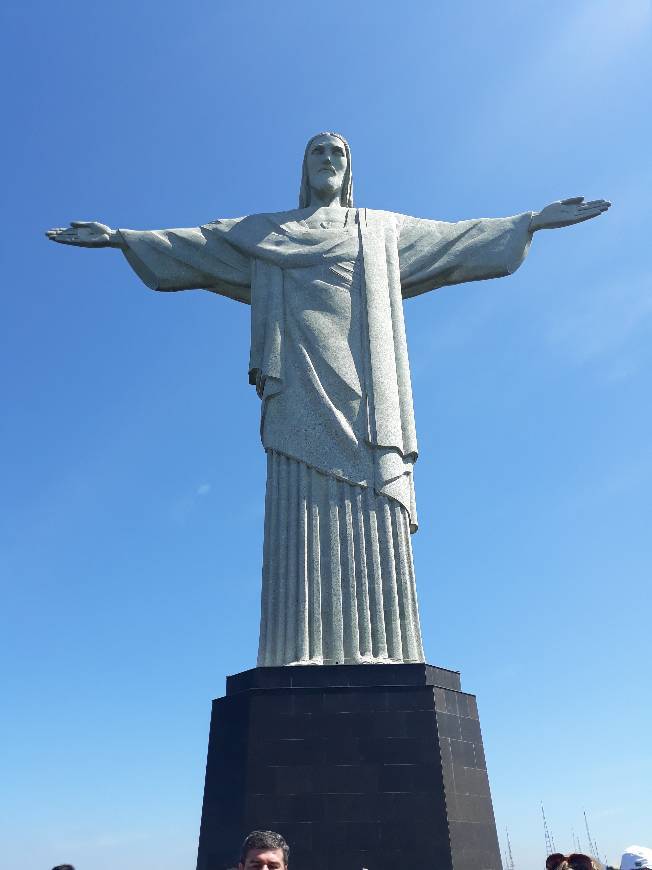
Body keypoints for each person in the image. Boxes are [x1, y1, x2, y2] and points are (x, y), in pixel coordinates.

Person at [47, 132, 610, 668]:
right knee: (299, 498)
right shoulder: (263, 232)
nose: (327, 157)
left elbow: (455, 239)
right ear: (304, 166)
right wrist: (122, 237)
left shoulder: (382, 230)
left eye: (337, 150)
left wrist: (530, 222)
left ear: (349, 167)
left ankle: (390, 649)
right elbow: (196, 244)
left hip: (366, 387)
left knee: (373, 500)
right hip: (297, 380)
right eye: (317, 150)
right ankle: (298, 647)